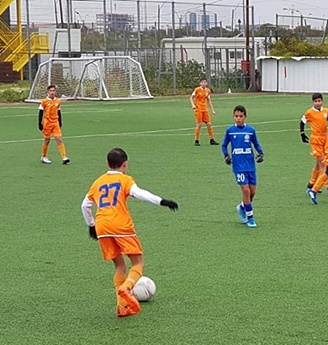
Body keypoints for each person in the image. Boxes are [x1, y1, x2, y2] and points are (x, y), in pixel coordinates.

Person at [81, 148, 179, 317]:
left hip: (102, 226)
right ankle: (127, 287)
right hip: (121, 226)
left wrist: (91, 225)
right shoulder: (125, 180)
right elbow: (139, 193)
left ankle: (122, 307)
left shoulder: (98, 182)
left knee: (120, 266)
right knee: (138, 263)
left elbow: (85, 206)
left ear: (107, 164)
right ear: (125, 164)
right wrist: (161, 201)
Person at [222, 105, 264, 228]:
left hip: (250, 164)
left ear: (245, 117)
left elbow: (256, 144)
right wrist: (226, 155)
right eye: (236, 116)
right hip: (238, 165)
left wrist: (261, 153)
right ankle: (250, 218)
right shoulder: (230, 131)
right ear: (233, 117)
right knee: (246, 190)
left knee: (252, 192)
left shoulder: (250, 130)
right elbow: (224, 145)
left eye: (241, 116)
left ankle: (241, 207)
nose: (238, 118)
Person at [300, 93, 328, 194]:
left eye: (319, 101)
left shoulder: (326, 111)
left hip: (325, 139)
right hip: (315, 140)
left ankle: (311, 184)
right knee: (323, 162)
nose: (317, 103)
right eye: (315, 101)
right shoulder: (309, 112)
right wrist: (302, 133)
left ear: (322, 101)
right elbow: (302, 122)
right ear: (313, 102)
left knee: (318, 163)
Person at [38, 84, 70, 164]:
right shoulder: (44, 101)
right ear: (48, 92)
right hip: (47, 123)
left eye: (53, 91)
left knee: (59, 139)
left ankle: (64, 157)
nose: (52, 92)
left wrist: (60, 122)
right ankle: (44, 156)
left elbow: (59, 112)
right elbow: (41, 113)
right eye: (50, 91)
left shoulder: (58, 101)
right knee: (47, 140)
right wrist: (40, 124)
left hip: (55, 122)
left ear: (55, 92)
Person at [190, 78, 218, 146]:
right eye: (202, 82)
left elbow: (209, 100)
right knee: (199, 125)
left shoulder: (208, 90)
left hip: (205, 109)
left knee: (209, 124)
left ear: (207, 83)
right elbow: (191, 98)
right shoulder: (197, 90)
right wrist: (193, 105)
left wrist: (212, 110)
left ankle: (212, 140)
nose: (204, 84)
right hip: (198, 109)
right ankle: (196, 140)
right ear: (200, 83)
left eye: (205, 82)